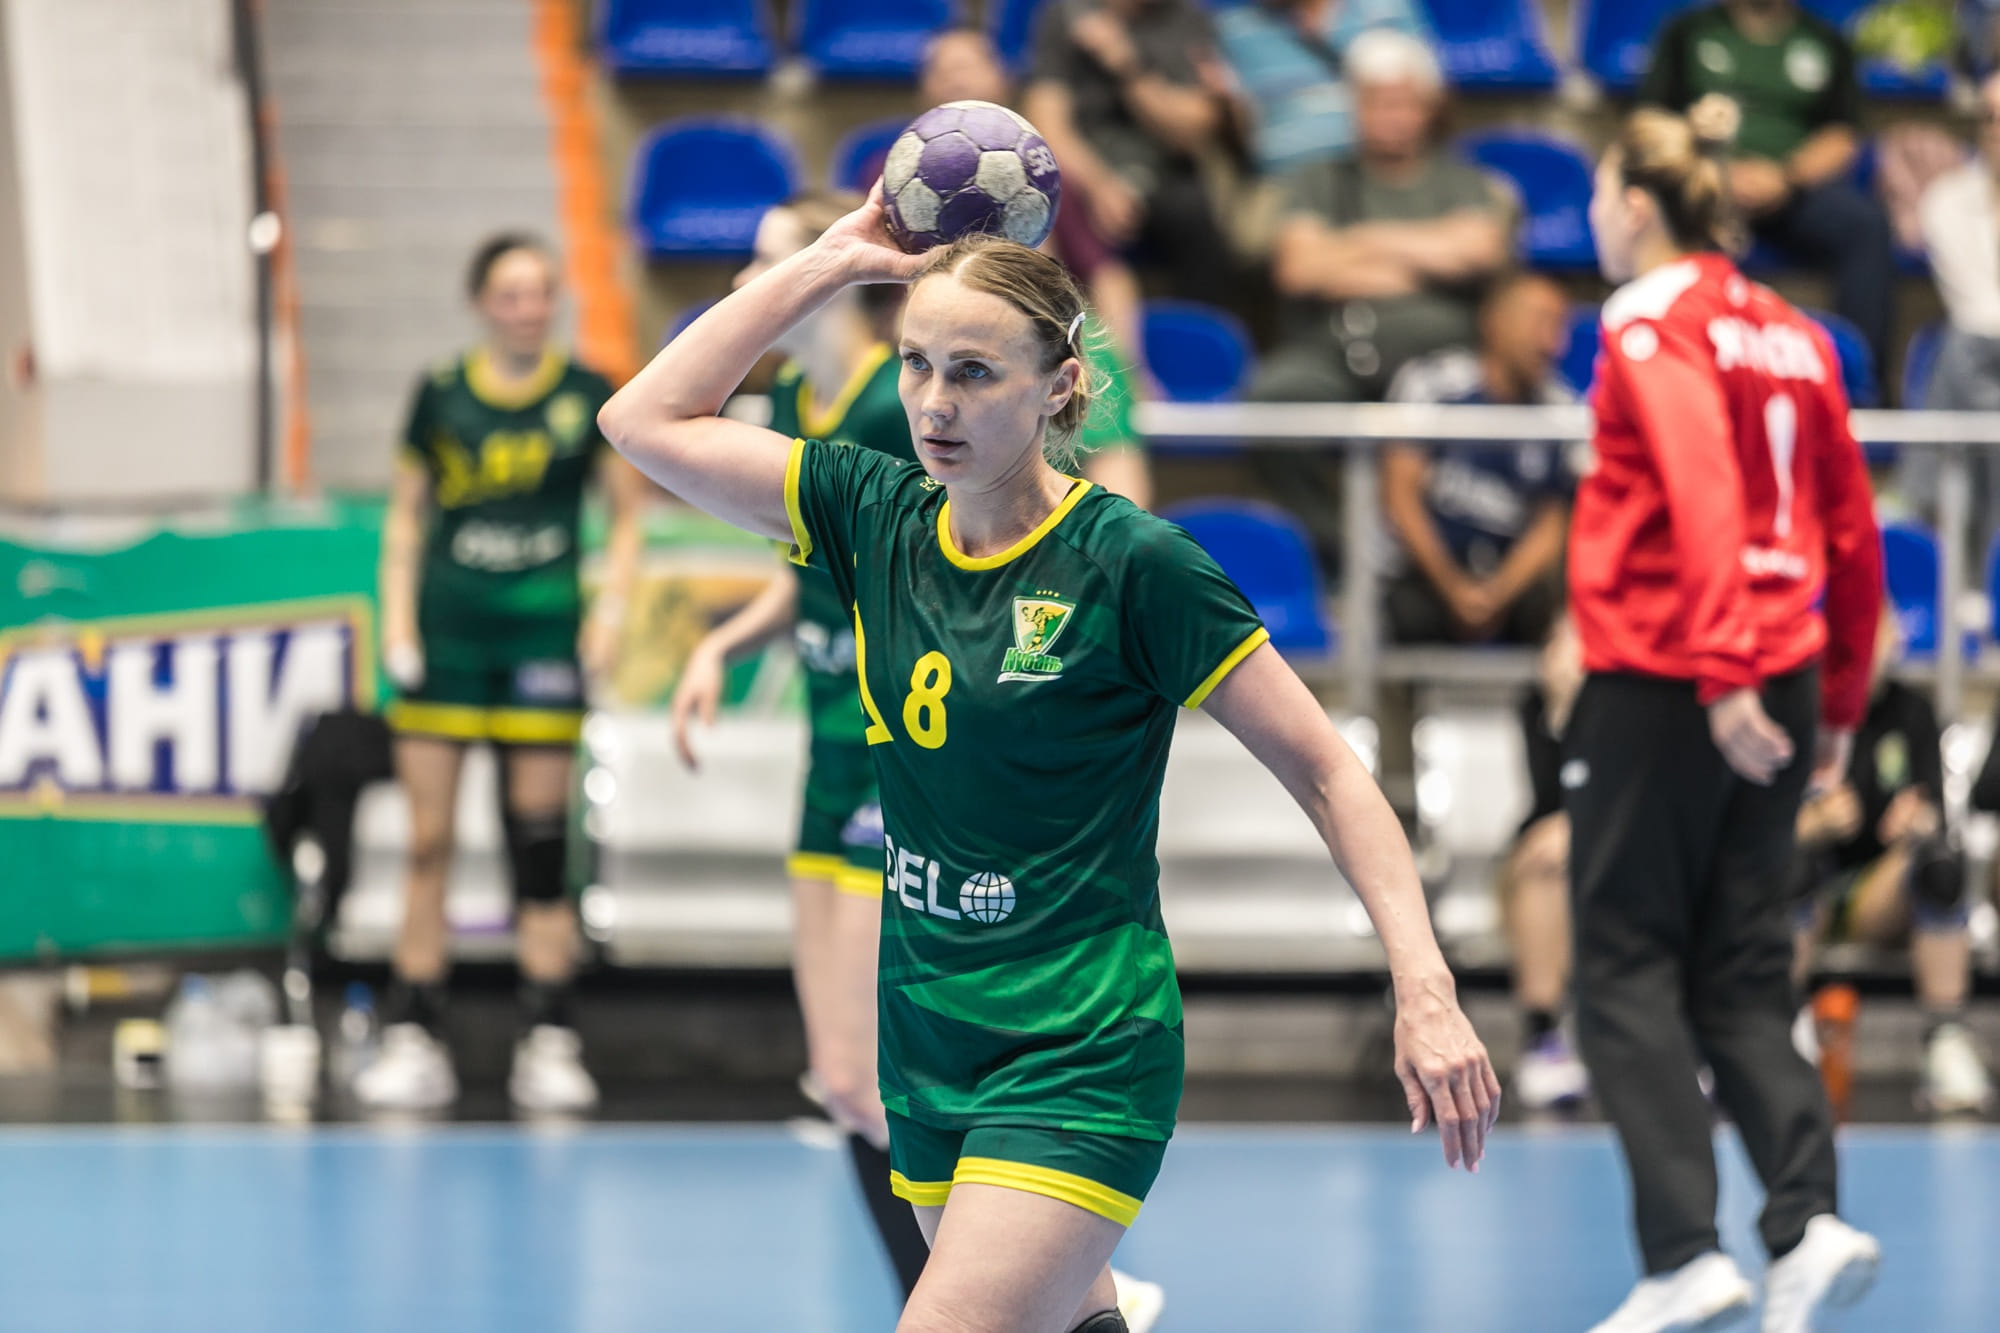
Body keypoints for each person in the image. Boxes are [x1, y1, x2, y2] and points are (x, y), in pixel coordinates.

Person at [597, 193, 1497, 1333]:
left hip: (1079, 1039)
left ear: (1059, 386)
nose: (934, 402)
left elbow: (1327, 770)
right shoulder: (869, 512)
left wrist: (1424, 985)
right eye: (916, 363)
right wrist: (827, 265)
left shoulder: (1132, 563)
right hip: (928, 1026)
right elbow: (643, 417)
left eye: (974, 372)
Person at [1568, 108, 1885, 1333]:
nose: (1591, 219)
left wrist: (1717, 664)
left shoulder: (1647, 314)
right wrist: (1837, 697)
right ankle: (1803, 1223)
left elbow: (1700, 481)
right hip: (1783, 667)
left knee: (1621, 961)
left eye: (1598, 194)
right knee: (1743, 963)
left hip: (1674, 670)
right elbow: (1848, 526)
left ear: (1636, 205)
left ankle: (1683, 1253)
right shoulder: (1795, 332)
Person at [668, 192, 934, 1300]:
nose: (746, 280)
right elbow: (810, 569)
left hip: (892, 756)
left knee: (877, 1078)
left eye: (770, 259)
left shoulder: (897, 402)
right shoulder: (787, 400)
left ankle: (1042, 1293)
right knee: (836, 1079)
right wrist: (723, 642)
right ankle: (940, 1303)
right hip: (821, 754)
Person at [365, 233, 649, 1113]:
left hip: (540, 642)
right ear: (481, 302)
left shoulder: (586, 394)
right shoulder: (441, 393)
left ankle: (550, 1036)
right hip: (447, 640)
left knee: (538, 847)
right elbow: (405, 519)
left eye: (541, 292)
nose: (529, 309)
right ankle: (414, 1030)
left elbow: (628, 519)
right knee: (426, 842)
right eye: (511, 294)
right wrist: (397, 621)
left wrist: (608, 614)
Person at [1252, 27, 1511, 561]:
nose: (1391, 116)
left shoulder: (1460, 181)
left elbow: (1481, 249)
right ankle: (1340, 551)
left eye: (1403, 103)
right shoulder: (1319, 180)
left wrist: (1357, 242)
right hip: (1332, 357)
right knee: (1272, 399)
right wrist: (1428, 259)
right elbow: (1299, 269)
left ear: (1427, 108)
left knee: (1486, 412)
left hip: (1443, 364)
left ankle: (1433, 562)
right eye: (1376, 102)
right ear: (1355, 107)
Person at [902, 25, 1157, 510]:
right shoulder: (895, 170)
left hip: (1038, 325)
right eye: (942, 69)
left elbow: (1108, 275)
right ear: (924, 88)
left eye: (968, 65)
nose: (956, 78)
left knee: (1095, 358)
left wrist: (1131, 364)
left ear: (1000, 76)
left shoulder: (1043, 169)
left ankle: (1119, 541)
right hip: (931, 329)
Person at [1791, 608, 1993, 1116]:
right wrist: (1813, 823)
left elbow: (1938, 816)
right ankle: (1776, 1031)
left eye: (1876, 632)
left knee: (1939, 863)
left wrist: (1916, 823)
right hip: (1806, 894)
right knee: (1790, 865)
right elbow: (1754, 828)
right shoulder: (1799, 708)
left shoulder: (1912, 713)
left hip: (1876, 897)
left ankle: (1945, 1038)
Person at [1640, 0, 1894, 377]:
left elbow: (1843, 137)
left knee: (1866, 226)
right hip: (1707, 188)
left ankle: (1861, 387)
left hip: (1793, 192)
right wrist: (1715, 170)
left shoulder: (1824, 40)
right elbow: (1652, 124)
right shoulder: (1687, 32)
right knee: (1656, 213)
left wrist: (1785, 177)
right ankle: (1658, 368)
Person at [1379, 270, 1573, 646]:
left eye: (1559, 326)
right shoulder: (1432, 385)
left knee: (1550, 610)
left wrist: (1498, 593)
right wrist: (1453, 588)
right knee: (1405, 610)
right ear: (1495, 322)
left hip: (1511, 583)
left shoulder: (1562, 411)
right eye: (1540, 322)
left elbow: (1553, 523)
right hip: (1427, 574)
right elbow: (1399, 497)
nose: (1554, 343)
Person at [1023, 0, 1247, 306]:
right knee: (1055, 207)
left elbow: (1189, 134)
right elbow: (1047, 124)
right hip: (1085, 166)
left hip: (1165, 168)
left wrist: (1126, 65)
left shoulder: (1187, 20)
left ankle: (1201, 328)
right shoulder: (1066, 14)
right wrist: (1099, 185)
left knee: (1195, 212)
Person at [1500, 613, 1590, 1111]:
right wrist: (1565, 711)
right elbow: (1548, 796)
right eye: (1556, 640)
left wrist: (1585, 823)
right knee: (1542, 859)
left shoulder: (1639, 706)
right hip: (1553, 856)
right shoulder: (1536, 706)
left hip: (1626, 847)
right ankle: (1545, 1036)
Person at [1910, 70, 2000, 550]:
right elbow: (1976, 308)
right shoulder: (1945, 199)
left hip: (1972, 369)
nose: (1997, 130)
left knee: (1958, 361)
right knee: (1965, 349)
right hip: (1981, 356)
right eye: (1988, 118)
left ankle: (1924, 512)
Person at [1216, 0, 1430, 176]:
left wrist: (1328, 30)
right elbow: (1237, 126)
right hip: (1284, 181)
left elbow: (1422, 96)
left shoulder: (1385, 8)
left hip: (1375, 175)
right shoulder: (1233, 29)